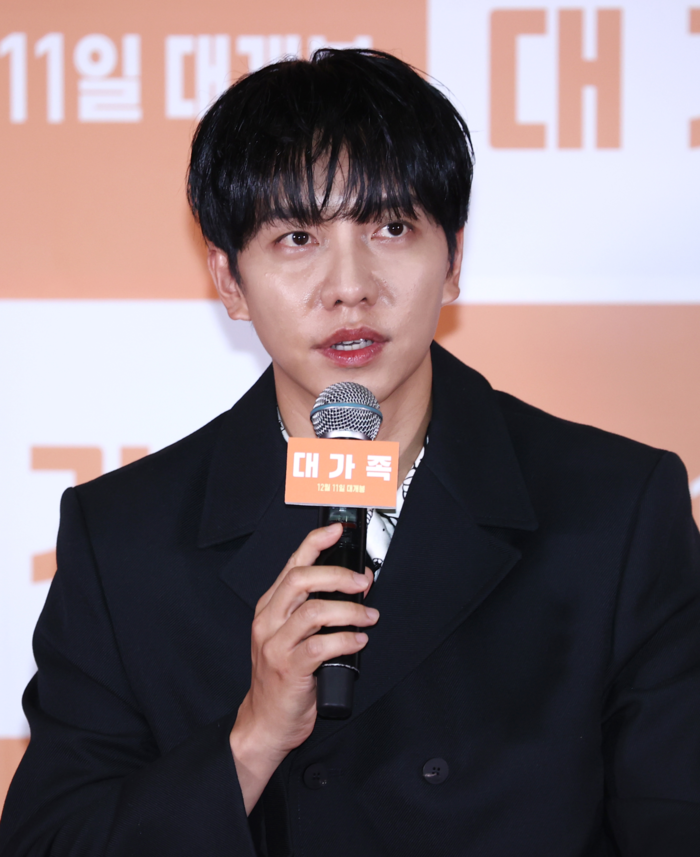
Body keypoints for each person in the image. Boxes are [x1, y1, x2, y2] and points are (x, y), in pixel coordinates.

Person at [1, 48, 700, 857]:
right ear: (229, 279)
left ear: (454, 258)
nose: (350, 286)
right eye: (298, 236)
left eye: (391, 228)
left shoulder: (617, 508)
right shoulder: (125, 537)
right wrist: (252, 737)